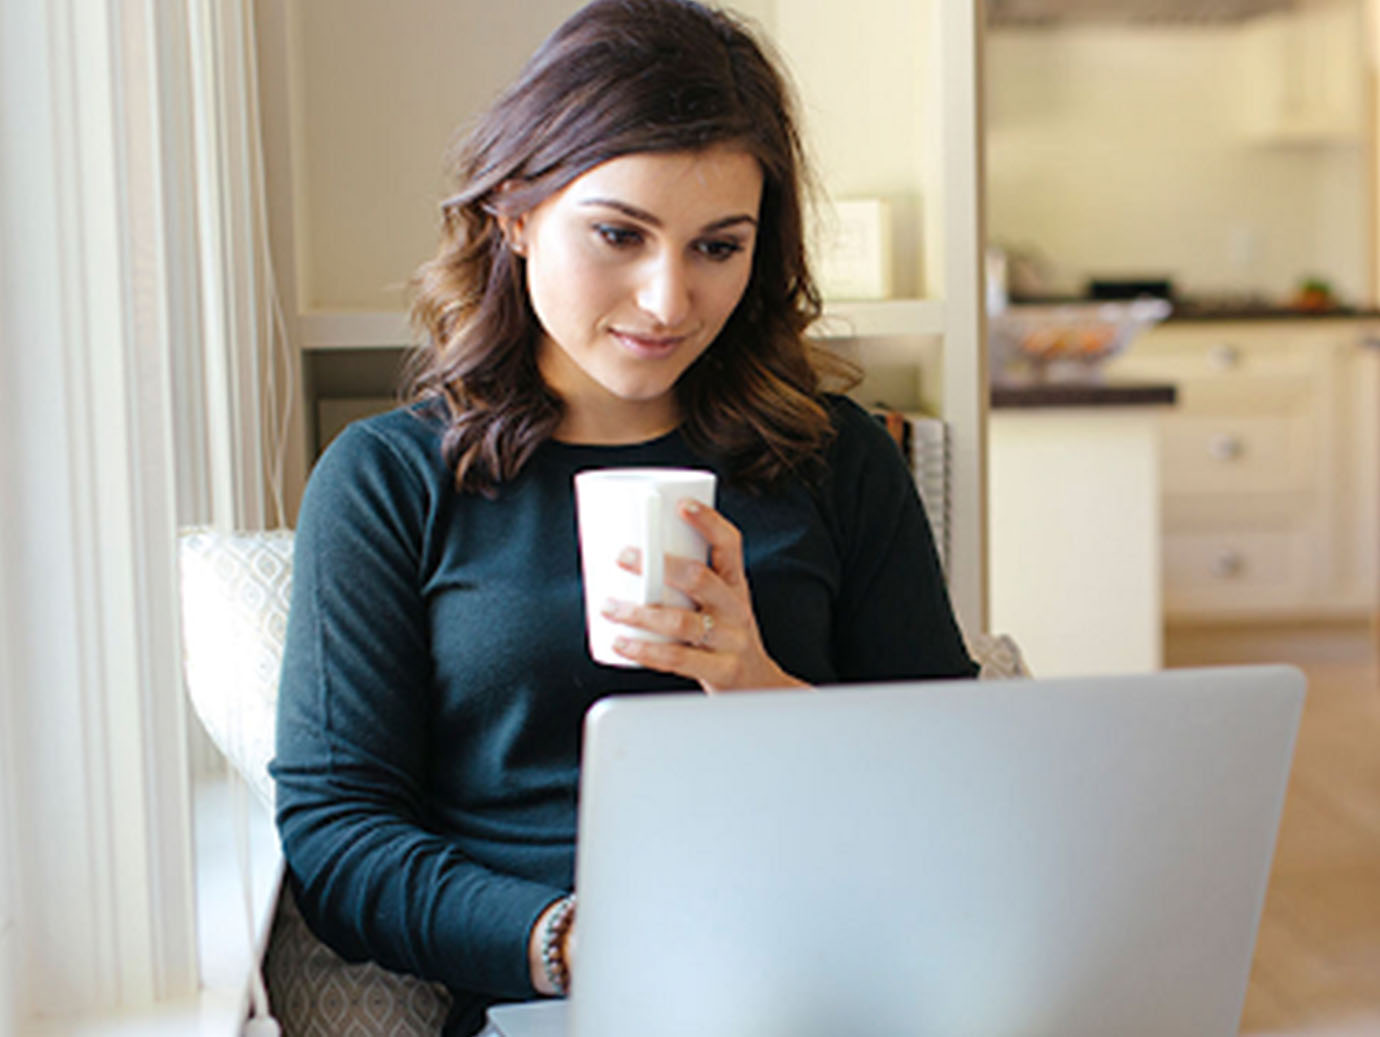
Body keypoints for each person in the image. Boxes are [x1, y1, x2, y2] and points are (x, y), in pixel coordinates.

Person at [271, 0, 978, 1033]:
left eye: (717, 247)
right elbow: (339, 841)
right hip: (566, 998)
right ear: (516, 214)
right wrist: (568, 936)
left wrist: (758, 684)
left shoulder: (836, 459)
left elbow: (957, 776)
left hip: (838, 974)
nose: (667, 300)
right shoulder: (389, 481)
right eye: (619, 233)